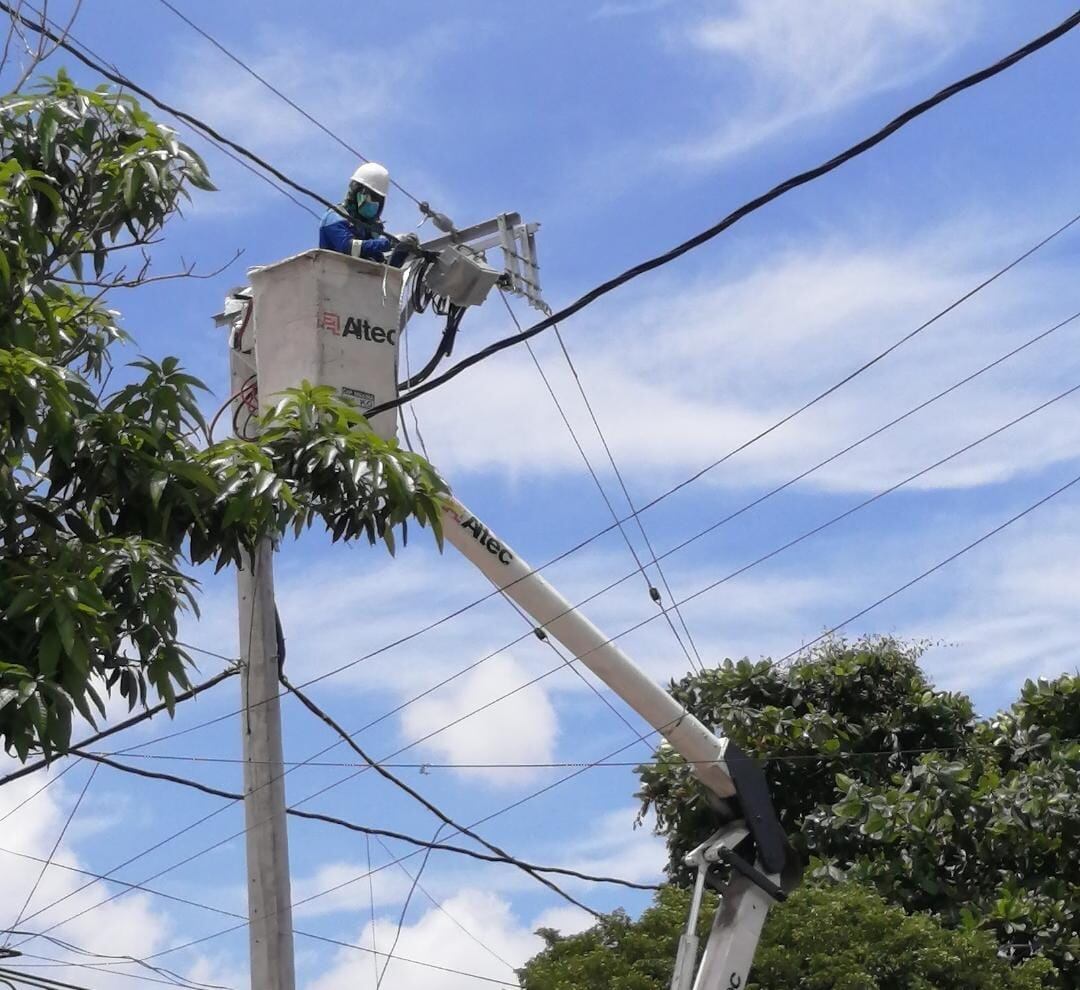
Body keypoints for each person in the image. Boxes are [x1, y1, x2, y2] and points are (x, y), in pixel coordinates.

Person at [318, 162, 415, 266]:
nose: (375, 203)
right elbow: (348, 248)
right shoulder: (334, 217)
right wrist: (390, 243)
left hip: (358, 279)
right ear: (356, 192)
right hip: (331, 276)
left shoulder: (366, 229)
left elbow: (384, 270)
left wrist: (401, 250)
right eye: (372, 197)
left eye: (378, 199)